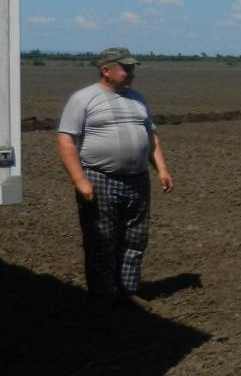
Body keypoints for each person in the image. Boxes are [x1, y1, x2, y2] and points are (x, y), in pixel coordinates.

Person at [57, 48, 174, 309]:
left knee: (135, 238)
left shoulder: (137, 98)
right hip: (100, 178)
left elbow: (151, 136)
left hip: (137, 179)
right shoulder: (84, 98)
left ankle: (127, 291)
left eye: (132, 68)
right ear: (106, 70)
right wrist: (80, 180)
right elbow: (66, 140)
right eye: (125, 68)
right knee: (102, 241)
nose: (131, 73)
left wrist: (162, 170)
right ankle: (102, 298)